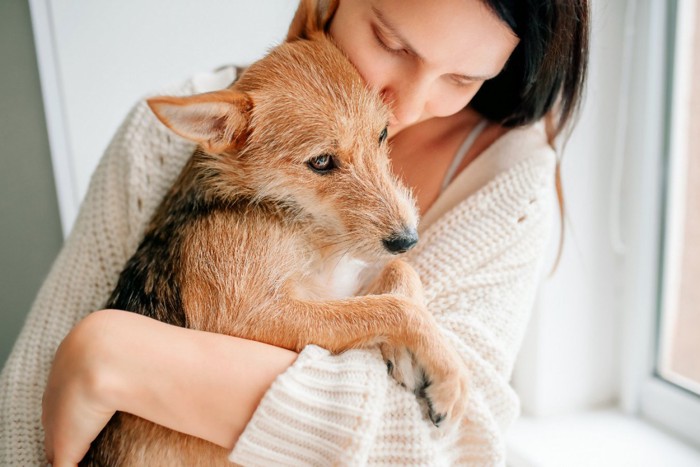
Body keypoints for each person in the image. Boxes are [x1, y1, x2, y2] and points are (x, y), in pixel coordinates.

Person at [0, 0, 589, 465]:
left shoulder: (513, 190)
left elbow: (448, 445)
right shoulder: (179, 141)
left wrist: (115, 358)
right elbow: (27, 409)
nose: (405, 106)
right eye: (391, 42)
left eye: (463, 77)